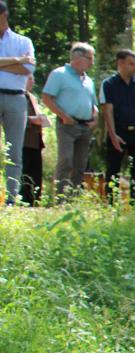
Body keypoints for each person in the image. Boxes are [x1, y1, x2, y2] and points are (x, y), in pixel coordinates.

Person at [41, 42, 97, 200]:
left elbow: (93, 104)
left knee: (80, 164)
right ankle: (60, 197)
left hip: (85, 126)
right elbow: (46, 98)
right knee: (66, 160)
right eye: (90, 58)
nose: (92, 62)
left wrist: (96, 118)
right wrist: (64, 116)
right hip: (67, 125)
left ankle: (73, 198)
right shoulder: (59, 74)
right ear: (77, 58)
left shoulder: (88, 80)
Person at [101, 49, 135, 203]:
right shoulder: (109, 84)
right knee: (113, 169)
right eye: (131, 63)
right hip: (118, 132)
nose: (134, 67)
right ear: (120, 63)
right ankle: (110, 204)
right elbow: (107, 111)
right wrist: (112, 134)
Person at [0, 1, 34, 204]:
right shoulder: (20, 50)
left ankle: (12, 199)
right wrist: (17, 60)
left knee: (14, 150)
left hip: (16, 98)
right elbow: (22, 65)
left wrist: (19, 63)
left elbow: (28, 70)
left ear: (4, 15)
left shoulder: (23, 41)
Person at [19, 75, 45, 205]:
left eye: (33, 79)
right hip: (23, 141)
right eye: (29, 79)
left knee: (35, 173)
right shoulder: (17, 97)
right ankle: (21, 200)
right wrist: (31, 120)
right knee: (24, 171)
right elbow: (14, 118)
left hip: (36, 141)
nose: (33, 81)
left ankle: (34, 201)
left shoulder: (33, 97)